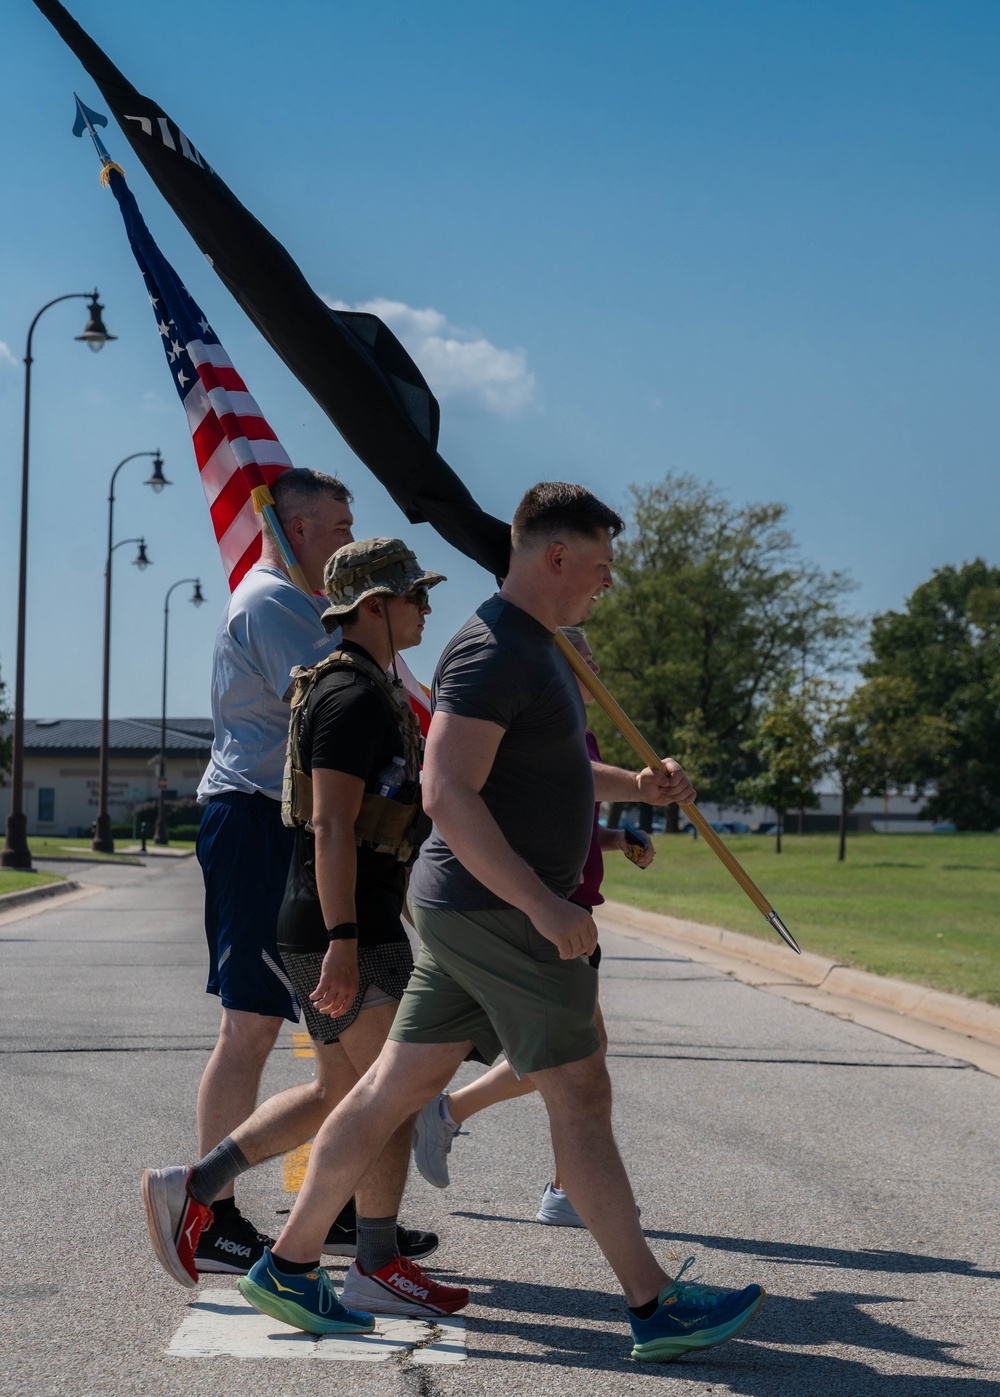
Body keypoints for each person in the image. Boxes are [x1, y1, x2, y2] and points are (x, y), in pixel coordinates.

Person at [236, 482, 765, 1363]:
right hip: (498, 910)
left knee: (390, 1091)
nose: (607, 581)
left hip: (471, 909)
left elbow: (551, 773)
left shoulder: (543, 648)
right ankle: (652, 1301)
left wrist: (638, 787)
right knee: (581, 1093)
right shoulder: (491, 650)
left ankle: (290, 1264)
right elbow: (446, 791)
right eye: (598, 565)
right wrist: (544, 903)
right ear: (554, 556)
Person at [143, 538, 465, 1319]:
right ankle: (360, 1262)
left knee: (341, 1088)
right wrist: (347, 942)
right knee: (391, 1088)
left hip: (347, 921)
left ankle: (197, 1185)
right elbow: (329, 824)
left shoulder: (362, 687)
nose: (425, 606)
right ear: (374, 608)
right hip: (339, 928)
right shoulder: (351, 696)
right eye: (413, 594)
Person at [412, 625, 654, 1227]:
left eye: (595, 659)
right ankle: (470, 1129)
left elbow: (563, 816)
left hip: (564, 909)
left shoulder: (576, 732)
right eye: (581, 660)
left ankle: (546, 1176)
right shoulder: (549, 730)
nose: (592, 673)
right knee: (577, 1054)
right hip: (539, 914)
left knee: (572, 1053)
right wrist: (646, 787)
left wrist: (616, 836)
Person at [183, 468, 355, 1274]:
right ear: (287, 528)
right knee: (251, 1024)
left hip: (280, 824)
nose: (347, 542)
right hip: (253, 821)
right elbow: (338, 706)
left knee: (335, 1018)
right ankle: (207, 1213)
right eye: (334, 528)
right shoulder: (274, 604)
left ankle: (340, 1202)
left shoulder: (305, 603)